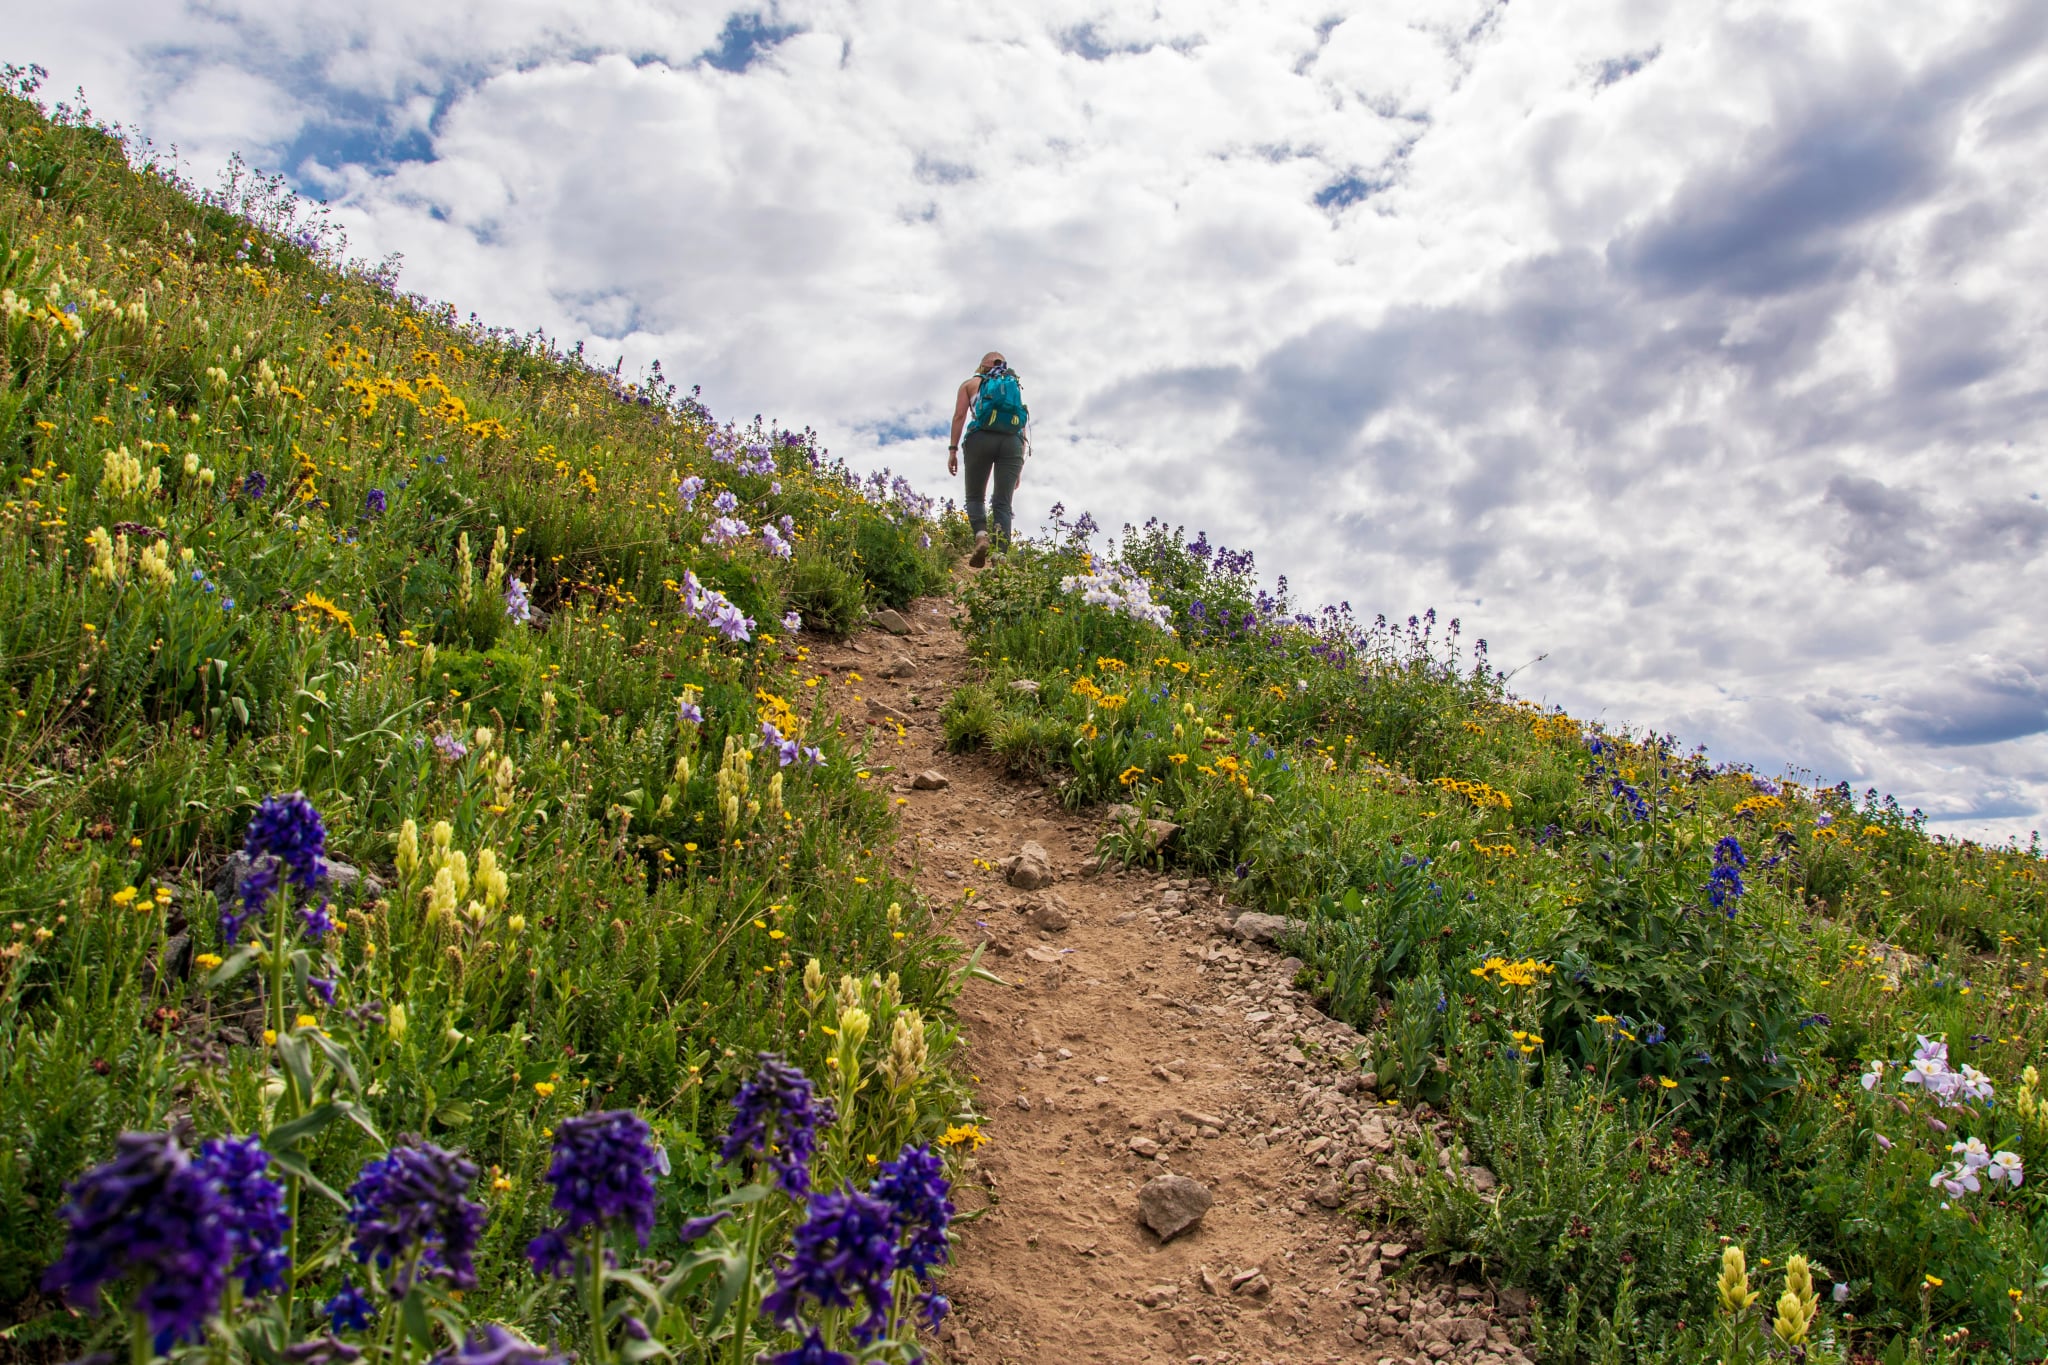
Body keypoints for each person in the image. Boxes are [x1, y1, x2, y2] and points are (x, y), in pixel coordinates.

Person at [947, 351, 1028, 568]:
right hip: (1012, 442)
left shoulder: (971, 384)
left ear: (982, 365)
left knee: (975, 495)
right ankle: (999, 555)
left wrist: (953, 450)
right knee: (1003, 501)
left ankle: (981, 536)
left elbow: (959, 416)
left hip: (980, 438)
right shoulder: (1013, 385)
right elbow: (1022, 422)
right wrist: (1019, 464)